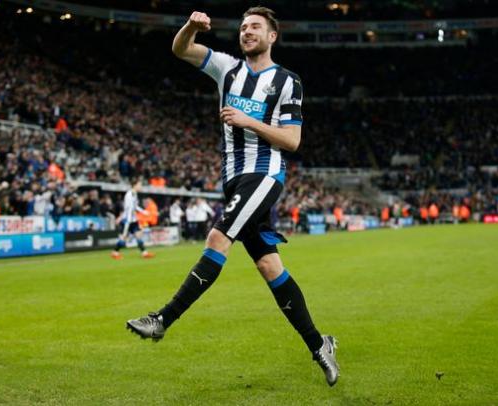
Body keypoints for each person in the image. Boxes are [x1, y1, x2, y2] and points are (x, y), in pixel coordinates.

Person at [126, 7, 339, 386]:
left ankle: (162, 319)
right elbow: (181, 50)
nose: (247, 31)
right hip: (233, 179)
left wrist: (249, 121)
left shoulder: (288, 82)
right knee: (269, 267)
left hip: (265, 174)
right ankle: (319, 343)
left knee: (217, 237)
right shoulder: (227, 68)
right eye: (243, 27)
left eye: (255, 26)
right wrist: (190, 26)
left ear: (272, 35)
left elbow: (292, 140)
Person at [111, 179, 155, 260]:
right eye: (139, 185)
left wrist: (144, 212)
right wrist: (123, 219)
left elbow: (135, 206)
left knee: (138, 236)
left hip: (133, 220)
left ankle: (144, 253)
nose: (141, 186)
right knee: (123, 238)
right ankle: (115, 252)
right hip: (128, 220)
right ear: (135, 185)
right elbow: (128, 208)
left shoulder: (135, 194)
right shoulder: (129, 194)